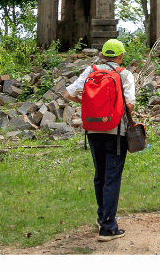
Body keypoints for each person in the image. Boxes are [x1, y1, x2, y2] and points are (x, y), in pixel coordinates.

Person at [65, 38, 135, 242]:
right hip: (115, 132)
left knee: (100, 176)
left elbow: (68, 94)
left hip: (93, 130)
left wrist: (86, 103)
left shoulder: (90, 71)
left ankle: (101, 217)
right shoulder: (125, 74)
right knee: (112, 178)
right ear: (121, 56)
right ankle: (108, 228)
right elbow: (129, 105)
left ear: (103, 54)